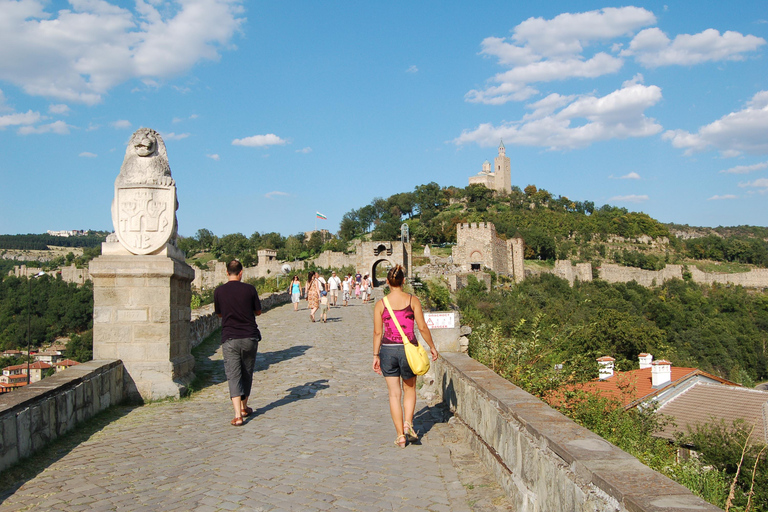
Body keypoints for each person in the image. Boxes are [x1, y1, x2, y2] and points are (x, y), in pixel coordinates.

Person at [373, 264, 438, 447]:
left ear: (387, 282)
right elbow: (423, 327)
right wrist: (432, 347)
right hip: (409, 350)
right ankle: (408, 424)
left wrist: (375, 355)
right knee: (409, 389)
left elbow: (378, 333)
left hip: (388, 350)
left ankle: (400, 435)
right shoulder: (412, 301)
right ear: (403, 281)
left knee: (394, 394)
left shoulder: (380, 304)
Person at [214, 260, 262, 427]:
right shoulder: (250, 289)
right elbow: (259, 311)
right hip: (249, 337)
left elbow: (219, 314)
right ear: (241, 272)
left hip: (230, 338)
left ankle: (237, 415)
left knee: (233, 375)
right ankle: (244, 407)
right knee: (247, 372)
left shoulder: (219, 291)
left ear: (227, 272)